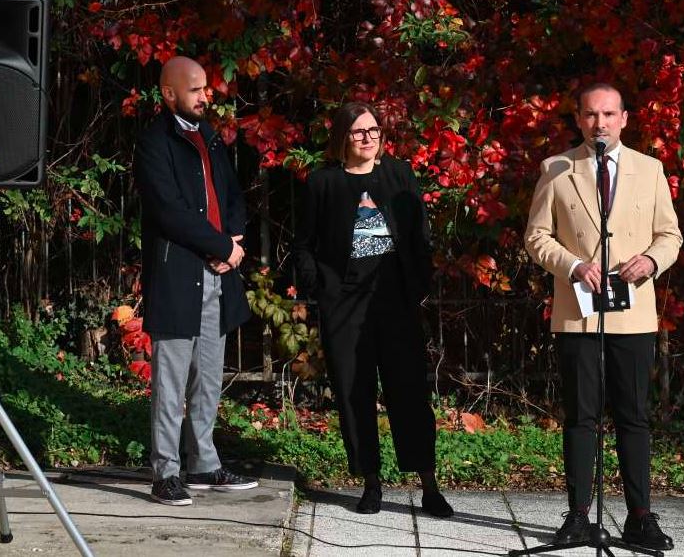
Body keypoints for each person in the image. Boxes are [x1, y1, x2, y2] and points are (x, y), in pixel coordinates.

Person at [523, 83, 682, 551]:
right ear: (578, 119)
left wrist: (650, 261)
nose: (601, 123)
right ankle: (577, 516)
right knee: (581, 416)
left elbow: (670, 235)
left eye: (609, 114)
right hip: (578, 313)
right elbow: (536, 237)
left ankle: (640, 517)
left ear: (625, 118)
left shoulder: (650, 170)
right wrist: (573, 265)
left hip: (633, 315)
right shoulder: (556, 168)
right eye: (591, 115)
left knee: (634, 417)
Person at [292, 101, 453, 518]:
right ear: (342, 138)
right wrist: (321, 288)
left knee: (410, 392)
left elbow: (419, 234)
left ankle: (429, 484)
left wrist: (417, 284)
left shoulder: (398, 174)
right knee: (353, 392)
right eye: (359, 132)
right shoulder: (323, 182)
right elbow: (304, 243)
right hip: (345, 305)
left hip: (395, 301)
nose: (368, 138)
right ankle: (371, 482)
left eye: (374, 131)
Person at [135, 55, 257, 506]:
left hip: (217, 276)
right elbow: (169, 213)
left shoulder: (210, 137)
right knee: (170, 380)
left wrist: (235, 236)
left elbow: (230, 193)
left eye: (206, 88)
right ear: (169, 94)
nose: (206, 96)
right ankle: (165, 472)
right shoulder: (154, 143)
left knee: (208, 376)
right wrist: (223, 246)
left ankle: (203, 463)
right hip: (177, 273)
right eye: (195, 89)